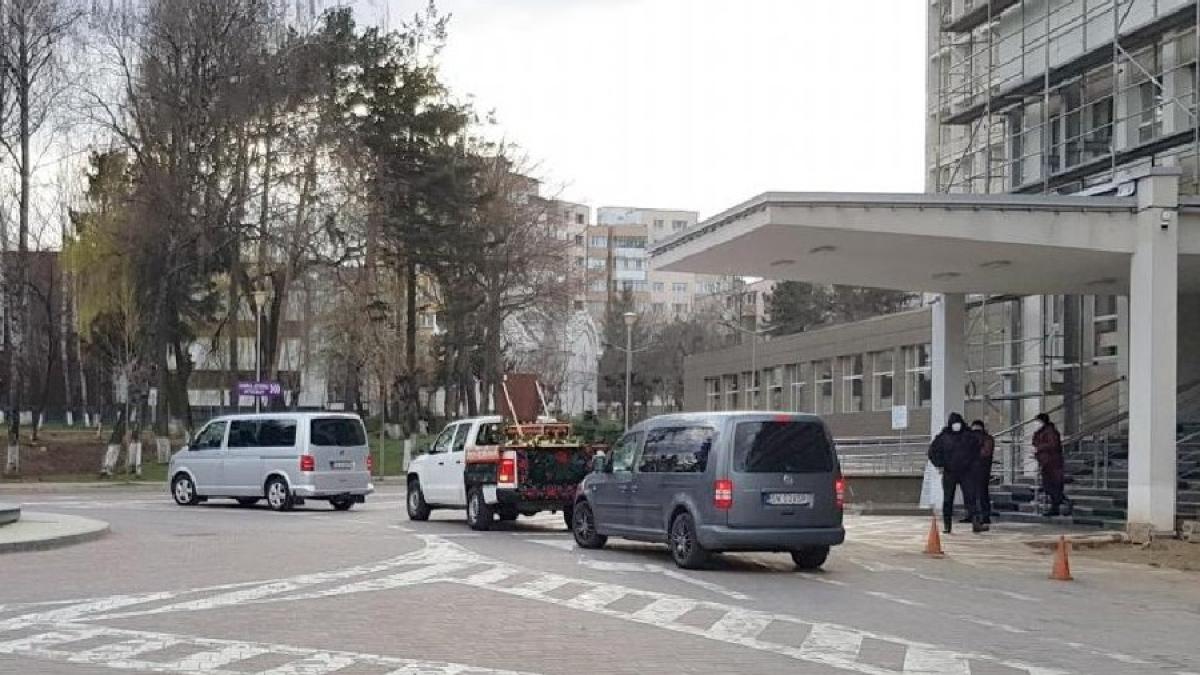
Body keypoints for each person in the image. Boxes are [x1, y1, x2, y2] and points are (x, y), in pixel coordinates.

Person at [928, 412, 984, 534]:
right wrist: (940, 464)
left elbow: (977, 452)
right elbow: (932, 452)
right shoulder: (943, 437)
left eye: (958, 423)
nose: (956, 425)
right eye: (954, 423)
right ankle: (947, 525)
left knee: (971, 498)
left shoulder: (968, 435)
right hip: (950, 471)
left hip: (966, 472)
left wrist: (973, 467)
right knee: (948, 499)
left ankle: (976, 522)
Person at [1032, 413, 1066, 516]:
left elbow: (1053, 445)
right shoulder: (1041, 432)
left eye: (1037, 421)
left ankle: (1060, 502)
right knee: (1049, 485)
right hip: (1046, 462)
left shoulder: (1050, 432)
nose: (1036, 424)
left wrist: (1039, 448)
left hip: (1052, 462)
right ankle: (1058, 503)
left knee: (1052, 485)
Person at [970, 420, 995, 528]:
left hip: (981, 470)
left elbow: (985, 452)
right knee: (975, 494)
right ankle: (975, 516)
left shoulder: (986, 439)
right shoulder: (972, 438)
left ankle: (984, 516)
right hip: (973, 470)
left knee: (981, 494)